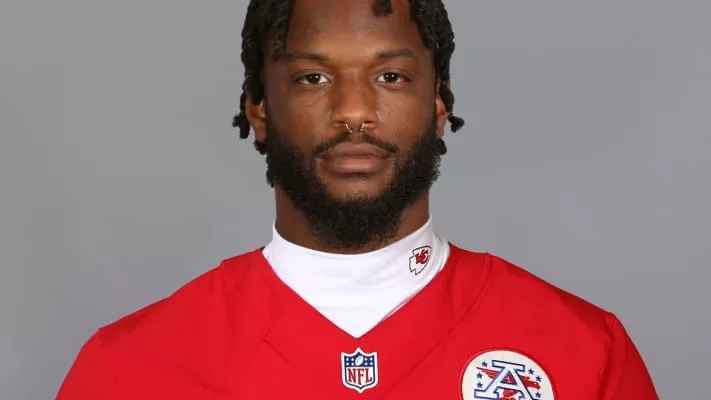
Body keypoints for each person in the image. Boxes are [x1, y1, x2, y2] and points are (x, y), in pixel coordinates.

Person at [57, 0, 659, 398]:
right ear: (258, 108)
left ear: (439, 103)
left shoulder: (583, 351)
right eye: (313, 78)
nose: (353, 112)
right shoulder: (128, 369)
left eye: (390, 76)